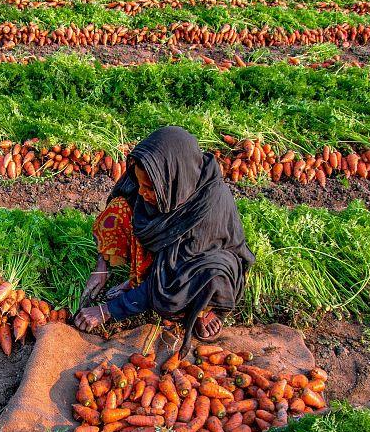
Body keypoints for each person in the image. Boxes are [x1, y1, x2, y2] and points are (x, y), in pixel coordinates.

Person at [74, 126, 255, 351]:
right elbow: (123, 197)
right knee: (119, 209)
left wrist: (107, 310)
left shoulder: (207, 208)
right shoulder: (155, 173)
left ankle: (203, 308)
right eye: (140, 184)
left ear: (173, 182)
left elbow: (170, 278)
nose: (141, 192)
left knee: (193, 284)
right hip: (165, 243)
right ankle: (137, 280)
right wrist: (102, 266)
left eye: (149, 188)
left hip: (201, 262)